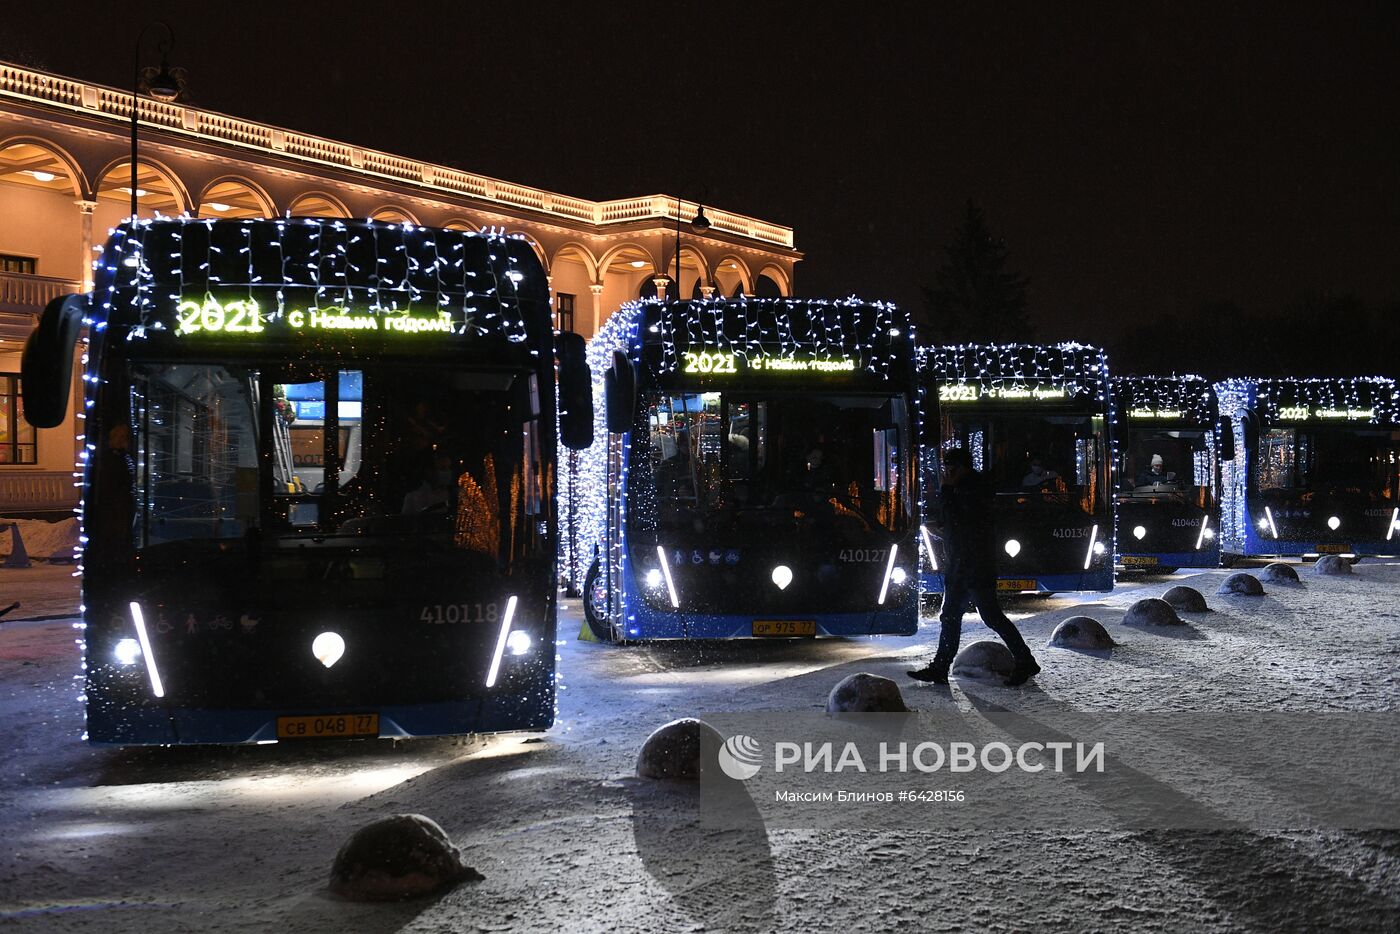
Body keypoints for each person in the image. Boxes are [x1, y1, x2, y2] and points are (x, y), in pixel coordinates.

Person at [909, 447, 1040, 687]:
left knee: (989, 616)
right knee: (953, 616)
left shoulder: (971, 490)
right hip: (964, 563)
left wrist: (947, 493)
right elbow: (958, 524)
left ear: (962, 468)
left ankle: (1025, 660)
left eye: (951, 469)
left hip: (973, 565)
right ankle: (940, 666)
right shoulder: (969, 489)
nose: (947, 474)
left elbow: (963, 522)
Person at [401, 450, 454, 515]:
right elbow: (406, 522)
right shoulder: (413, 497)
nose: (447, 472)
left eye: (448, 468)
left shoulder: (452, 495)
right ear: (429, 471)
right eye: (442, 468)